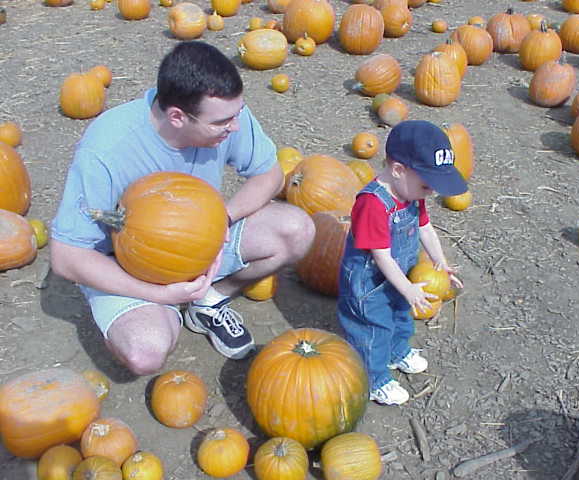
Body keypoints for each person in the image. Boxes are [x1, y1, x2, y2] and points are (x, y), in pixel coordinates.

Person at [49, 41, 315, 375]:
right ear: (177, 117)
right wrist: (156, 293)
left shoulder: (227, 115)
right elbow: (65, 256)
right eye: (222, 122)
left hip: (200, 243)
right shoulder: (106, 149)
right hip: (126, 264)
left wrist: (224, 219)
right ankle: (165, 307)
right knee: (144, 353)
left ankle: (207, 299)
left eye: (236, 115)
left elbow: (270, 175)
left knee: (297, 230)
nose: (234, 127)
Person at [337, 120, 466, 406]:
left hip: (400, 275)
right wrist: (408, 288)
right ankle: (373, 379)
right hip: (368, 284)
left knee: (400, 314)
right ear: (398, 170)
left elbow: (425, 228)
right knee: (374, 328)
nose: (430, 192)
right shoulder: (372, 204)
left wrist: (440, 261)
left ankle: (397, 351)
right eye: (426, 185)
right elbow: (380, 255)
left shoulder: (411, 192)